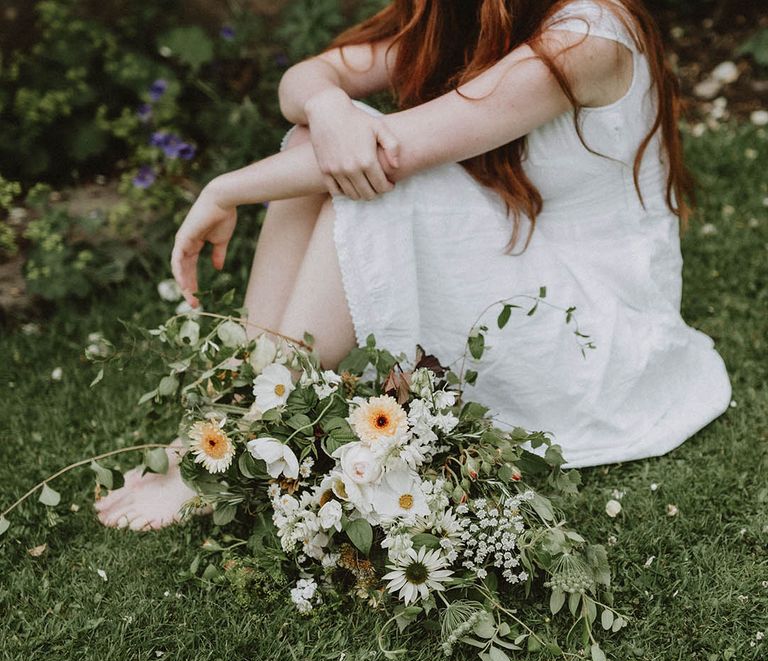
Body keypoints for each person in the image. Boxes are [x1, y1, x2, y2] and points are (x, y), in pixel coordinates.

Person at [96, 0, 731, 531]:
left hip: (589, 333)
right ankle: (230, 420)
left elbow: (393, 155)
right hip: (524, 260)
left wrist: (225, 188)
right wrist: (327, 107)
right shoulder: (468, 14)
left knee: (378, 184)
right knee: (315, 144)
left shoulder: (588, 38)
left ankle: (230, 444)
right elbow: (306, 77)